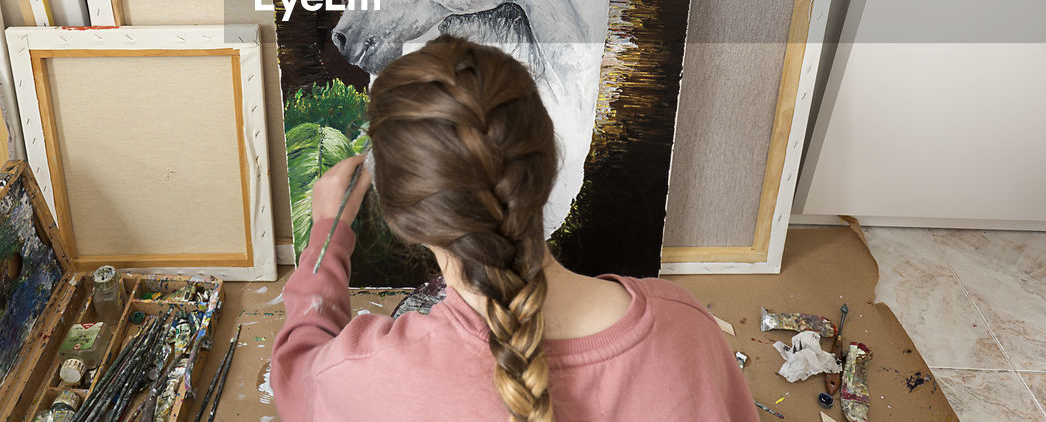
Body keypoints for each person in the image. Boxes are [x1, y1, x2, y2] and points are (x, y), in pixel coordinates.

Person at [272, 36, 757, 421]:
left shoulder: (368, 375)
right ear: (545, 165)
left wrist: (327, 232)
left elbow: (297, 378)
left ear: (406, 220)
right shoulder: (688, 328)